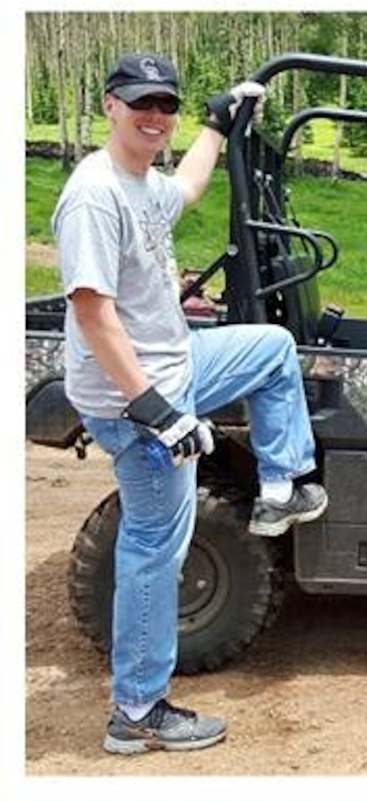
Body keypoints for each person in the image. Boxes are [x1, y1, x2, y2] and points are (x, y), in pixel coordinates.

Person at [53, 54, 328, 756]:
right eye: (141, 103)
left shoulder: (143, 184)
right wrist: (155, 410)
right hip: (138, 397)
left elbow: (190, 188)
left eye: (166, 106)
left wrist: (216, 123)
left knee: (268, 348)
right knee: (154, 548)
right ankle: (137, 713)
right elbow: (92, 311)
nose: (154, 117)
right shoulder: (95, 194)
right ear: (110, 105)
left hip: (174, 368)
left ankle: (277, 491)